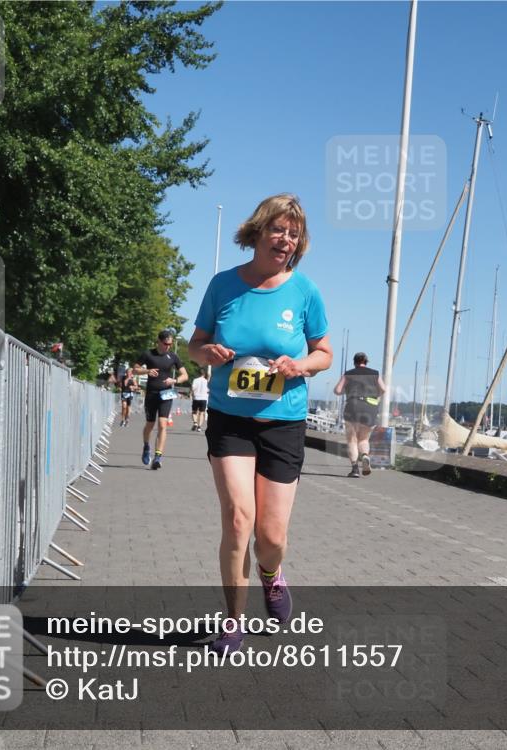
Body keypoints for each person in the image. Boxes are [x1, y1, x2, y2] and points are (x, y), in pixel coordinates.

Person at [188, 194, 331, 654]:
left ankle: (271, 573)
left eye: (294, 234)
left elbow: (325, 352)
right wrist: (206, 354)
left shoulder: (305, 291)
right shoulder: (223, 286)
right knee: (238, 519)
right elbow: (196, 344)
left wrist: (302, 366)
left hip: (283, 422)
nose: (286, 240)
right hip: (231, 419)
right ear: (257, 232)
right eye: (279, 230)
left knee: (271, 536)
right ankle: (233, 622)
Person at [133, 331, 188, 469]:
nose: (168, 347)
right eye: (165, 344)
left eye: (170, 344)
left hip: (166, 394)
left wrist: (174, 380)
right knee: (150, 425)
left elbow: (185, 375)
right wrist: (147, 371)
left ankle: (158, 457)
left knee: (163, 424)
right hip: (151, 394)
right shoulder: (148, 354)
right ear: (159, 341)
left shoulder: (173, 356)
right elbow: (135, 369)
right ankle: (146, 446)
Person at [333, 352, 386, 477]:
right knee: (363, 439)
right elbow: (383, 389)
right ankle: (365, 456)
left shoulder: (349, 373)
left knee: (352, 440)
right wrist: (374, 395)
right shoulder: (375, 373)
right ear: (366, 362)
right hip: (370, 407)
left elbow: (337, 390)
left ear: (355, 362)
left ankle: (355, 469)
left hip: (353, 405)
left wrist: (347, 391)